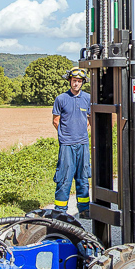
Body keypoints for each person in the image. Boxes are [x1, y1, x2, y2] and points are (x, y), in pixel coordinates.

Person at [52, 67, 92, 218]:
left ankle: (84, 209)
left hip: (83, 144)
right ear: (70, 81)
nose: (76, 84)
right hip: (67, 144)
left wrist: (81, 133)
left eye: (79, 81)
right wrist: (65, 136)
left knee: (83, 177)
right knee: (64, 178)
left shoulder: (87, 98)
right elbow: (56, 121)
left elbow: (89, 119)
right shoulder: (61, 99)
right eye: (74, 81)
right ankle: (60, 211)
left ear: (83, 83)